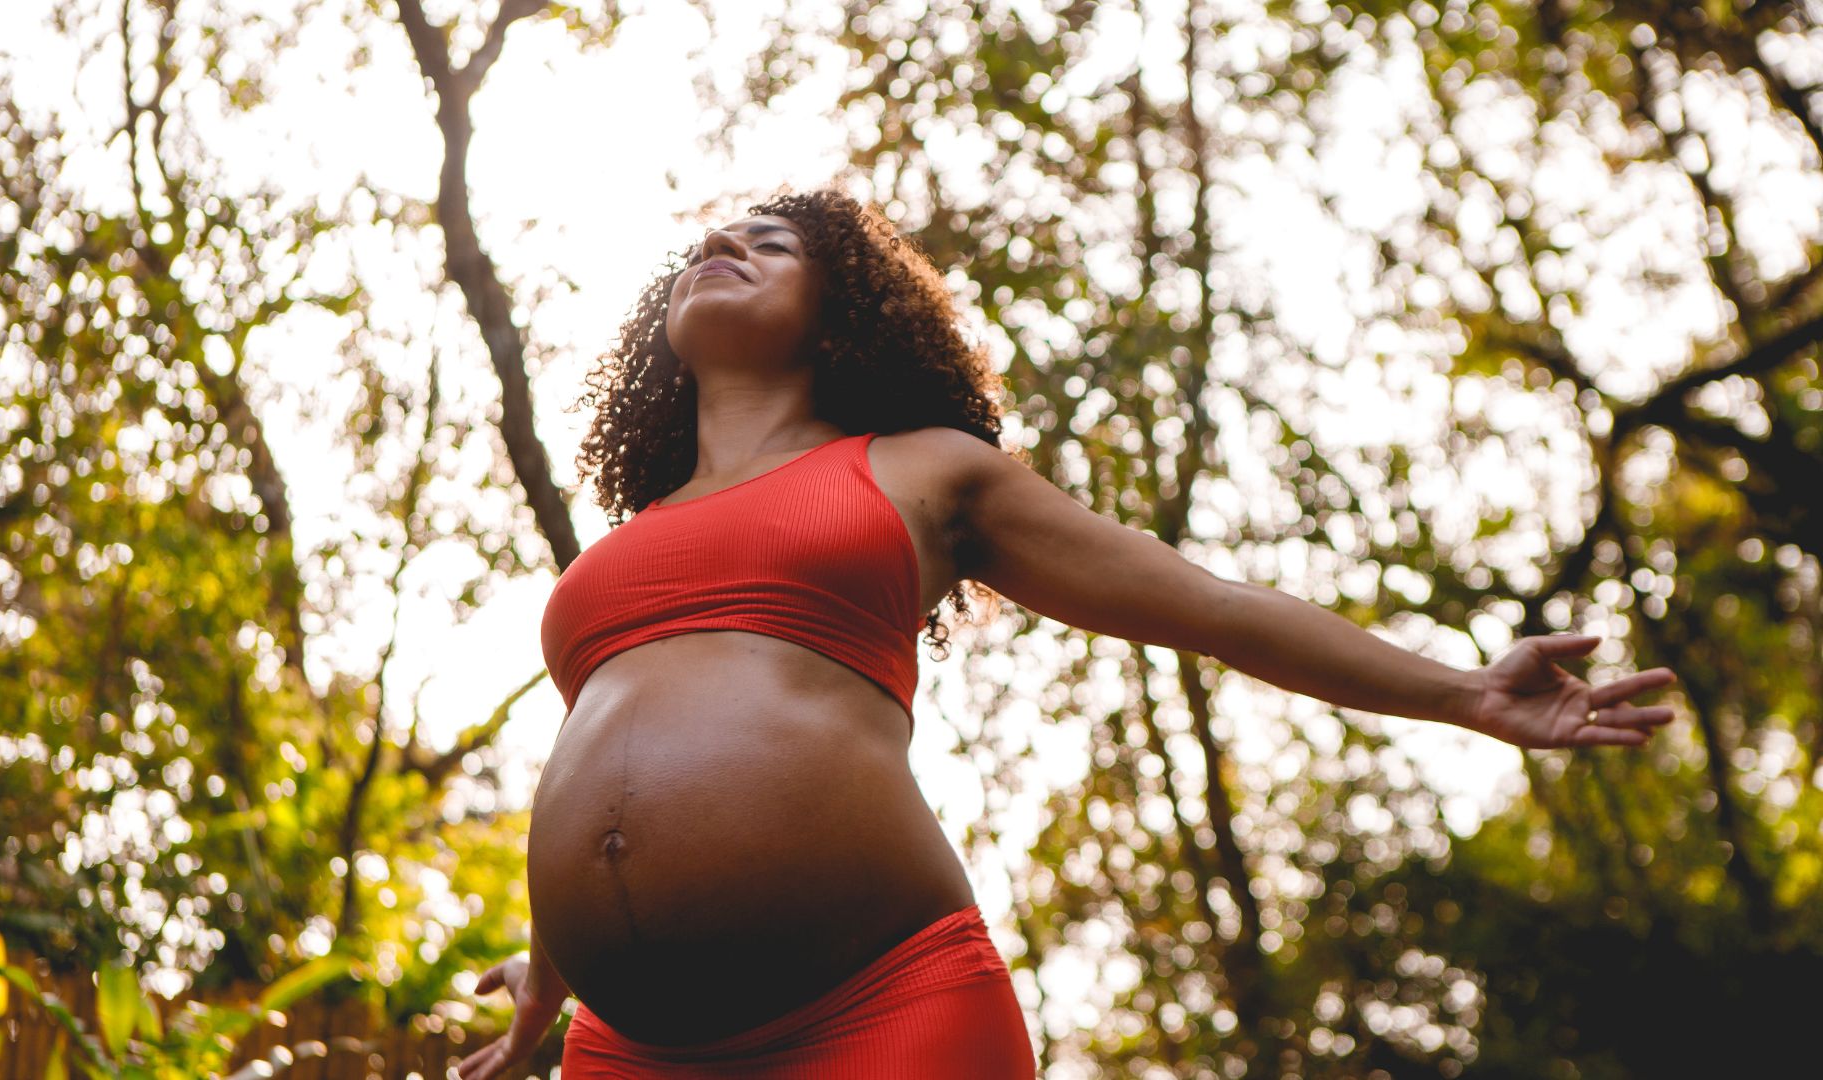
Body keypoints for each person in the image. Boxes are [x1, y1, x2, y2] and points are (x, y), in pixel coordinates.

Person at [457, 187, 1678, 1079]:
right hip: (629, 1051)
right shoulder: (619, 550)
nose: (722, 244)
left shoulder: (925, 469)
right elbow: (609, 764)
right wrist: (549, 983)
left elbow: (1211, 607)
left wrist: (1463, 693)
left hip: (877, 1015)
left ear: (842, 317)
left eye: (768, 244)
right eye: (711, 242)